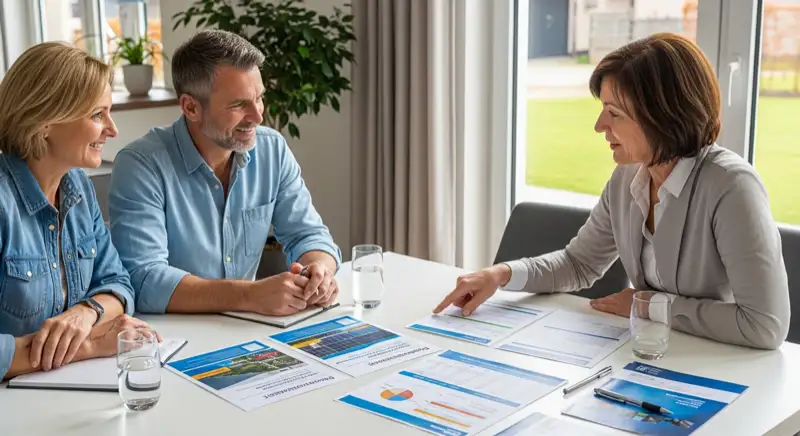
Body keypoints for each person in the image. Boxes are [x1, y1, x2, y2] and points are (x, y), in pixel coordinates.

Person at [434, 33, 791, 350]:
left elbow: (764, 325)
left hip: (719, 366)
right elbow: (579, 264)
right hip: (649, 352)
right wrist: (499, 275)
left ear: (663, 116)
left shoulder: (732, 188)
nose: (599, 125)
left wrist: (650, 305)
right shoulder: (627, 178)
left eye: (614, 113)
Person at [108, 29, 341, 316]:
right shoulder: (141, 165)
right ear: (191, 107)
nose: (258, 115)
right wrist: (251, 295)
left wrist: (320, 269)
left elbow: (309, 234)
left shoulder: (271, 149)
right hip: (171, 339)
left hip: (249, 329)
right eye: (239, 104)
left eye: (259, 98)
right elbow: (144, 279)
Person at [0, 42, 157, 380]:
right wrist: (88, 346)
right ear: (45, 121)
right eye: (97, 115)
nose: (113, 130)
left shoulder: (78, 187)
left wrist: (86, 313)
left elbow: (118, 283)